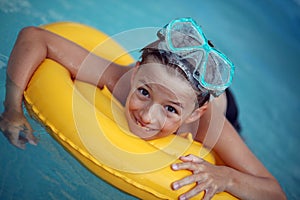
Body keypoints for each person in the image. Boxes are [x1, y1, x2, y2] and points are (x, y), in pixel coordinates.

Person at [0, 17, 285, 199]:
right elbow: (34, 36)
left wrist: (226, 177)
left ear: (194, 114)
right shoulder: (119, 78)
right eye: (144, 92)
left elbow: (274, 192)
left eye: (170, 110)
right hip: (179, 85)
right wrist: (12, 106)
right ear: (135, 74)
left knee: (230, 151)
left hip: (221, 105)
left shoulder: (207, 123)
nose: (147, 116)